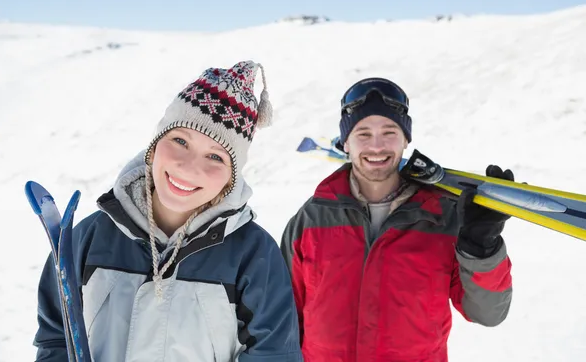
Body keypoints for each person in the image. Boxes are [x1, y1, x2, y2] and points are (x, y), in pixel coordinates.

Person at [34, 61, 303, 361]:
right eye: (180, 141)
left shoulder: (254, 256)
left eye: (215, 156)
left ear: (232, 176)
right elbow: (56, 339)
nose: (188, 167)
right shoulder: (88, 239)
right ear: (155, 144)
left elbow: (275, 354)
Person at [280, 77, 514, 362]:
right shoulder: (311, 220)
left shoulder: (442, 218)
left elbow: (488, 313)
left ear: (406, 139)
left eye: (389, 132)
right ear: (346, 143)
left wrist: (481, 249)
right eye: (363, 134)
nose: (377, 147)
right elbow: (283, 318)